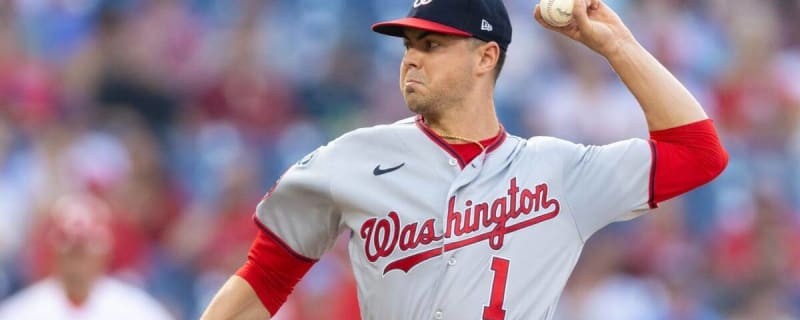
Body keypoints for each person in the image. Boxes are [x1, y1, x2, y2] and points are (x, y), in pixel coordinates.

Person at [201, 0, 729, 319]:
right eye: (410, 43)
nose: (411, 57)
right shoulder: (353, 158)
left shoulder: (560, 172)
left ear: (486, 56)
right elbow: (265, 276)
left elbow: (699, 153)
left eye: (433, 45)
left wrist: (617, 45)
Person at [0, 193, 174, 320]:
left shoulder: (138, 310)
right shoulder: (20, 312)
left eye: (83, 250)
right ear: (53, 252)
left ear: (105, 251)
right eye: (71, 251)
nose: (77, 261)